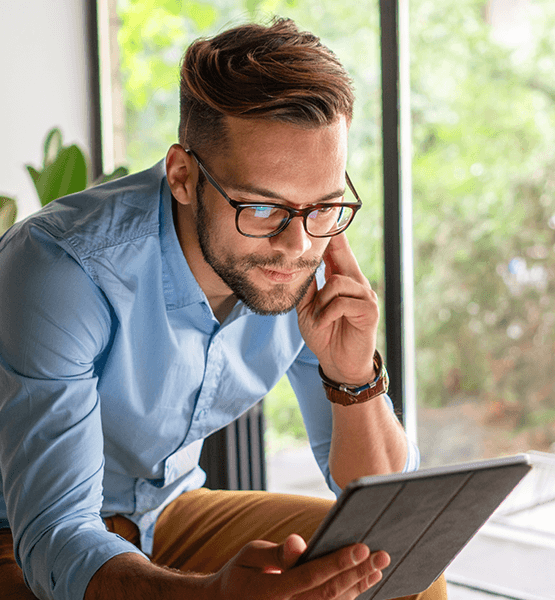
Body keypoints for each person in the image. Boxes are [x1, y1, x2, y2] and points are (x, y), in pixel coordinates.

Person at [0, 17, 447, 600]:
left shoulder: (301, 250)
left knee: (399, 569)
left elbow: (391, 508)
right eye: (262, 208)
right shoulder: (62, 268)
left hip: (168, 512)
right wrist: (211, 596)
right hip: (19, 534)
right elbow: (56, 535)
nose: (298, 246)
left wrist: (353, 377)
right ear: (184, 177)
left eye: (324, 205)